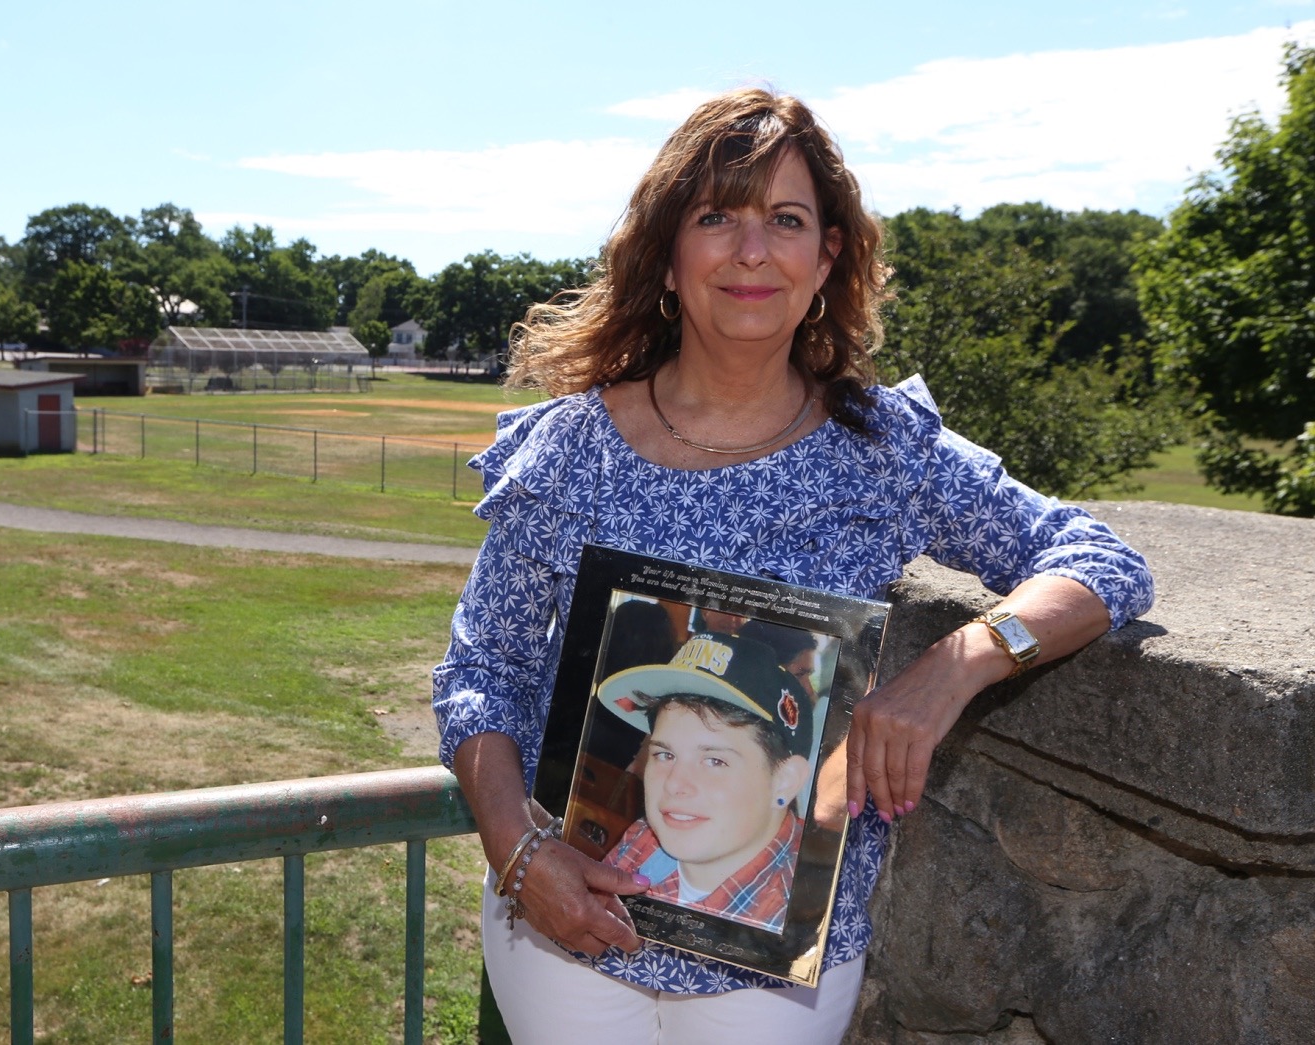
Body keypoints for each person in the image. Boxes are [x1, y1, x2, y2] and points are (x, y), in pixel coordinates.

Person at [432, 87, 1153, 1044]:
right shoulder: (571, 449)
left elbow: (1100, 560)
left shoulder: (882, 446)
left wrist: (963, 660)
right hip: (567, 937)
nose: (750, 250)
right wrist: (519, 853)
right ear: (667, 252)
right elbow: (485, 672)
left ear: (827, 257)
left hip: (773, 979)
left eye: (785, 219)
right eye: (716, 216)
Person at [597, 632, 814, 934]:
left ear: (784, 781)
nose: (674, 784)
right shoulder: (646, 838)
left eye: (714, 761)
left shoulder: (802, 917)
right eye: (664, 754)